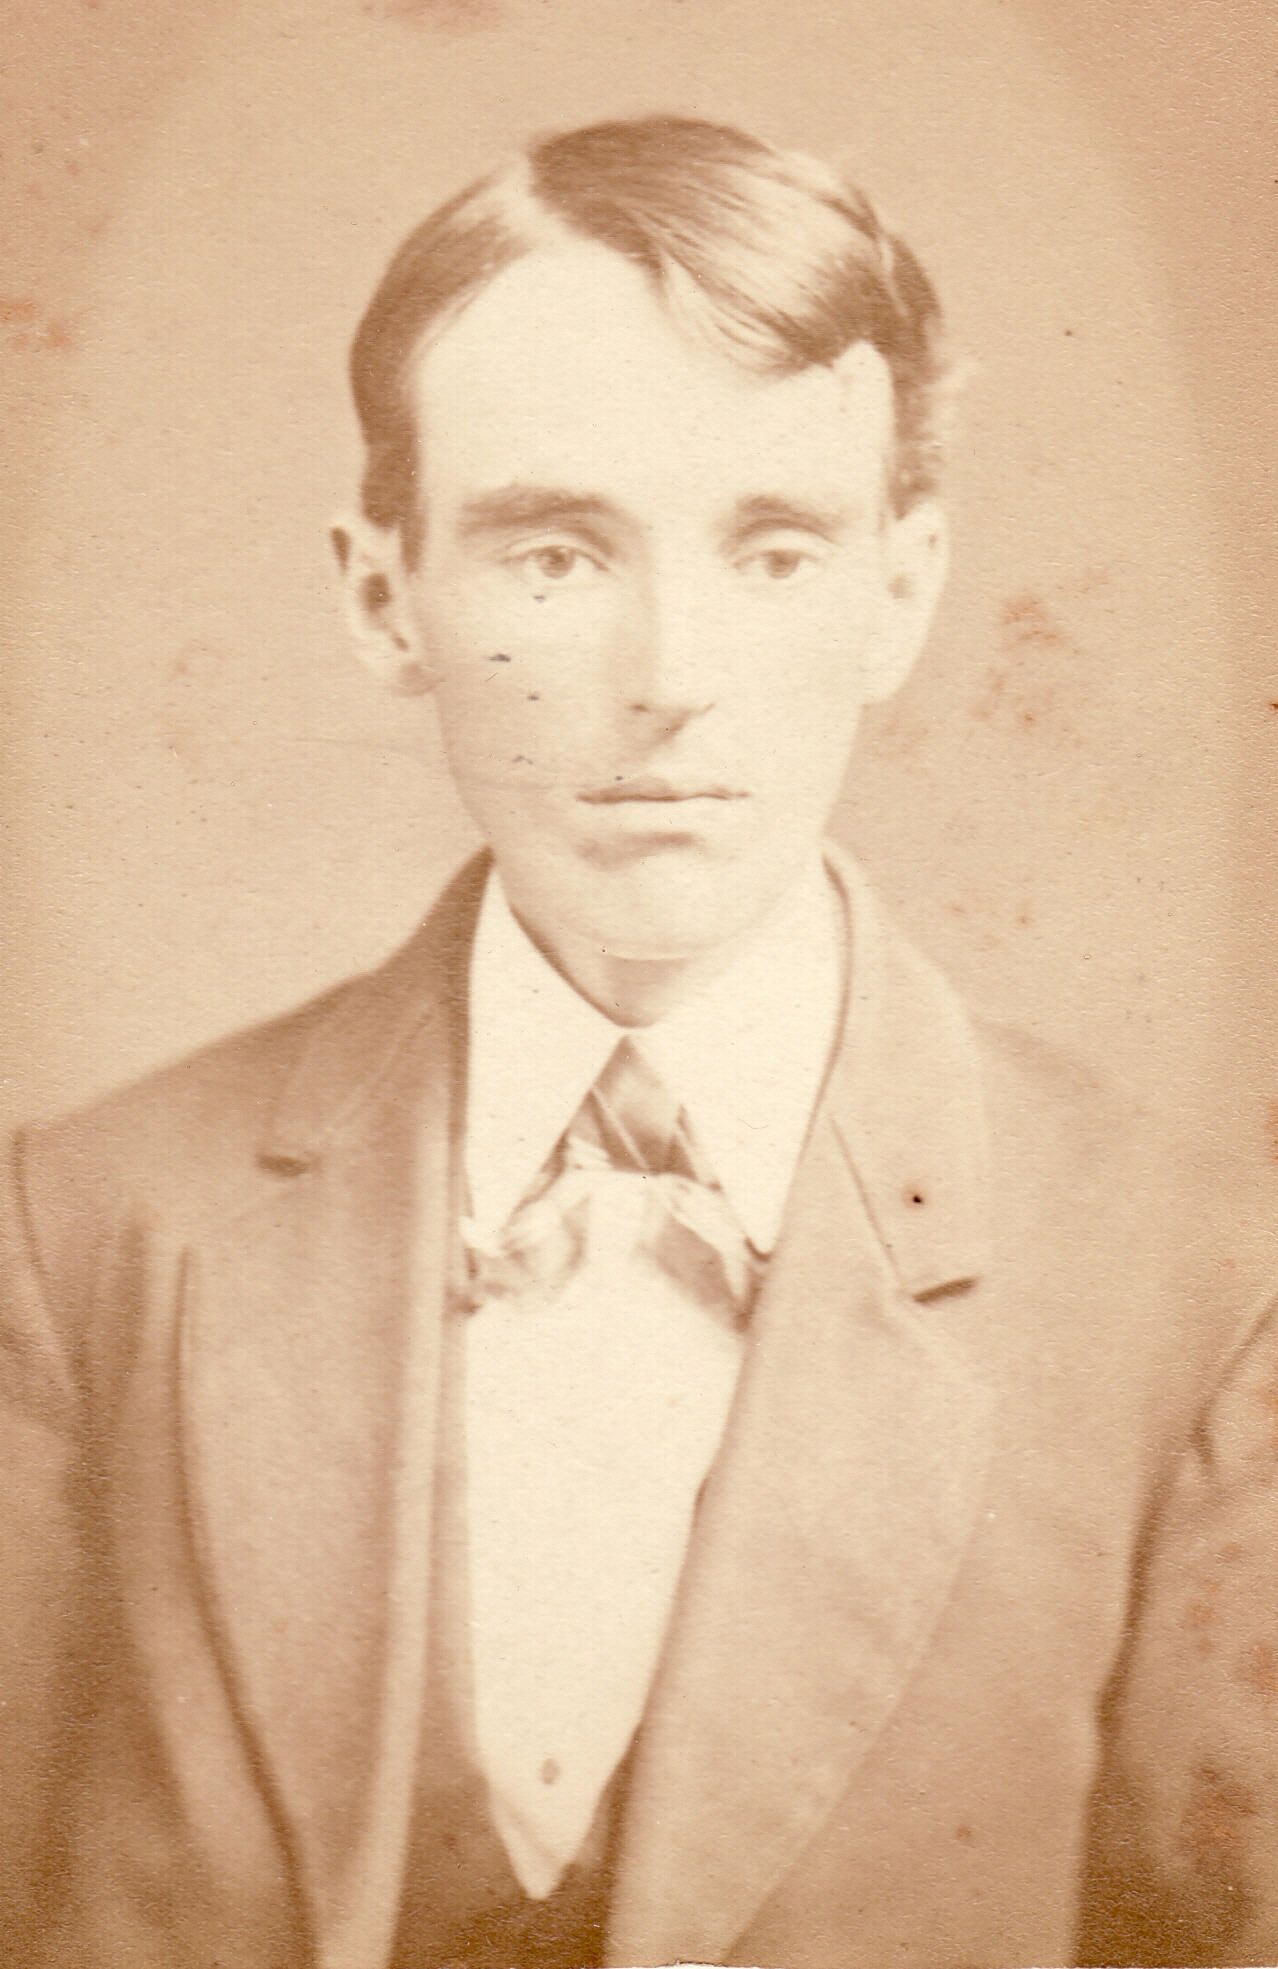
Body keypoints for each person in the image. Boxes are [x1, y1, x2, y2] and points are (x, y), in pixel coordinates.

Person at [2, 113, 1276, 1969]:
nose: (669, 673)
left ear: (901, 593)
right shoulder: (87, 1229)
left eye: (774, 551)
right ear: (383, 599)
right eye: (554, 554)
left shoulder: (1195, 1279)